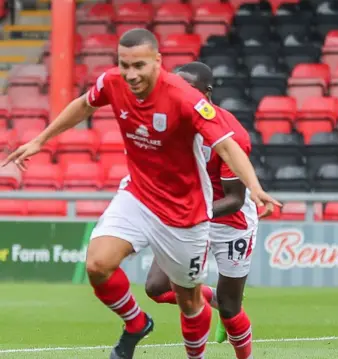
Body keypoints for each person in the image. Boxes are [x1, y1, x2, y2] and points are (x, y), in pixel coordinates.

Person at [1, 29, 280, 359]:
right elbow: (83, 104)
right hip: (140, 194)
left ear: (158, 62)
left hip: (189, 211)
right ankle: (136, 324)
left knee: (199, 304)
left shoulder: (185, 99)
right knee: (98, 264)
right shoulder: (112, 82)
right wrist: (39, 141)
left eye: (139, 66)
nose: (131, 74)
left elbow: (228, 148)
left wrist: (257, 188)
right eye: (124, 65)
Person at [144, 61, 256, 358]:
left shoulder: (231, 135)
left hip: (231, 220)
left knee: (232, 309)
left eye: (187, 89)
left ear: (206, 93)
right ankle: (211, 298)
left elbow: (234, 198)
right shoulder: (170, 124)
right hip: (190, 215)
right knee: (156, 287)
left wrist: (190, 212)